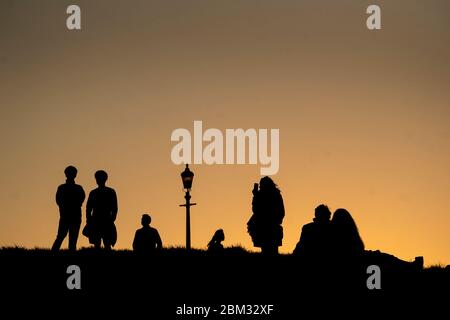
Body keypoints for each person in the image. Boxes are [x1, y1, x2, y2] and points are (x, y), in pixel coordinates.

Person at [247, 177, 285, 255]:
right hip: (272, 226)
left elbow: (255, 210)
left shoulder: (261, 195)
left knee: (266, 250)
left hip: (264, 227)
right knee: (273, 251)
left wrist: (255, 196)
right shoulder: (276, 194)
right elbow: (282, 211)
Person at [52, 166, 86, 251]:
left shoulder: (77, 188)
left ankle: (69, 255)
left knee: (72, 238)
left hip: (73, 216)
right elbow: (58, 201)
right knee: (62, 236)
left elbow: (81, 199)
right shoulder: (63, 188)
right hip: (67, 216)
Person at [85, 170, 118, 250]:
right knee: (97, 242)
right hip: (96, 219)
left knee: (107, 242)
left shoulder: (110, 192)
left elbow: (114, 207)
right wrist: (89, 219)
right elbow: (88, 207)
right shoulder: (93, 192)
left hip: (106, 219)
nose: (98, 180)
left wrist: (112, 218)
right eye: (97, 178)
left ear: (105, 179)